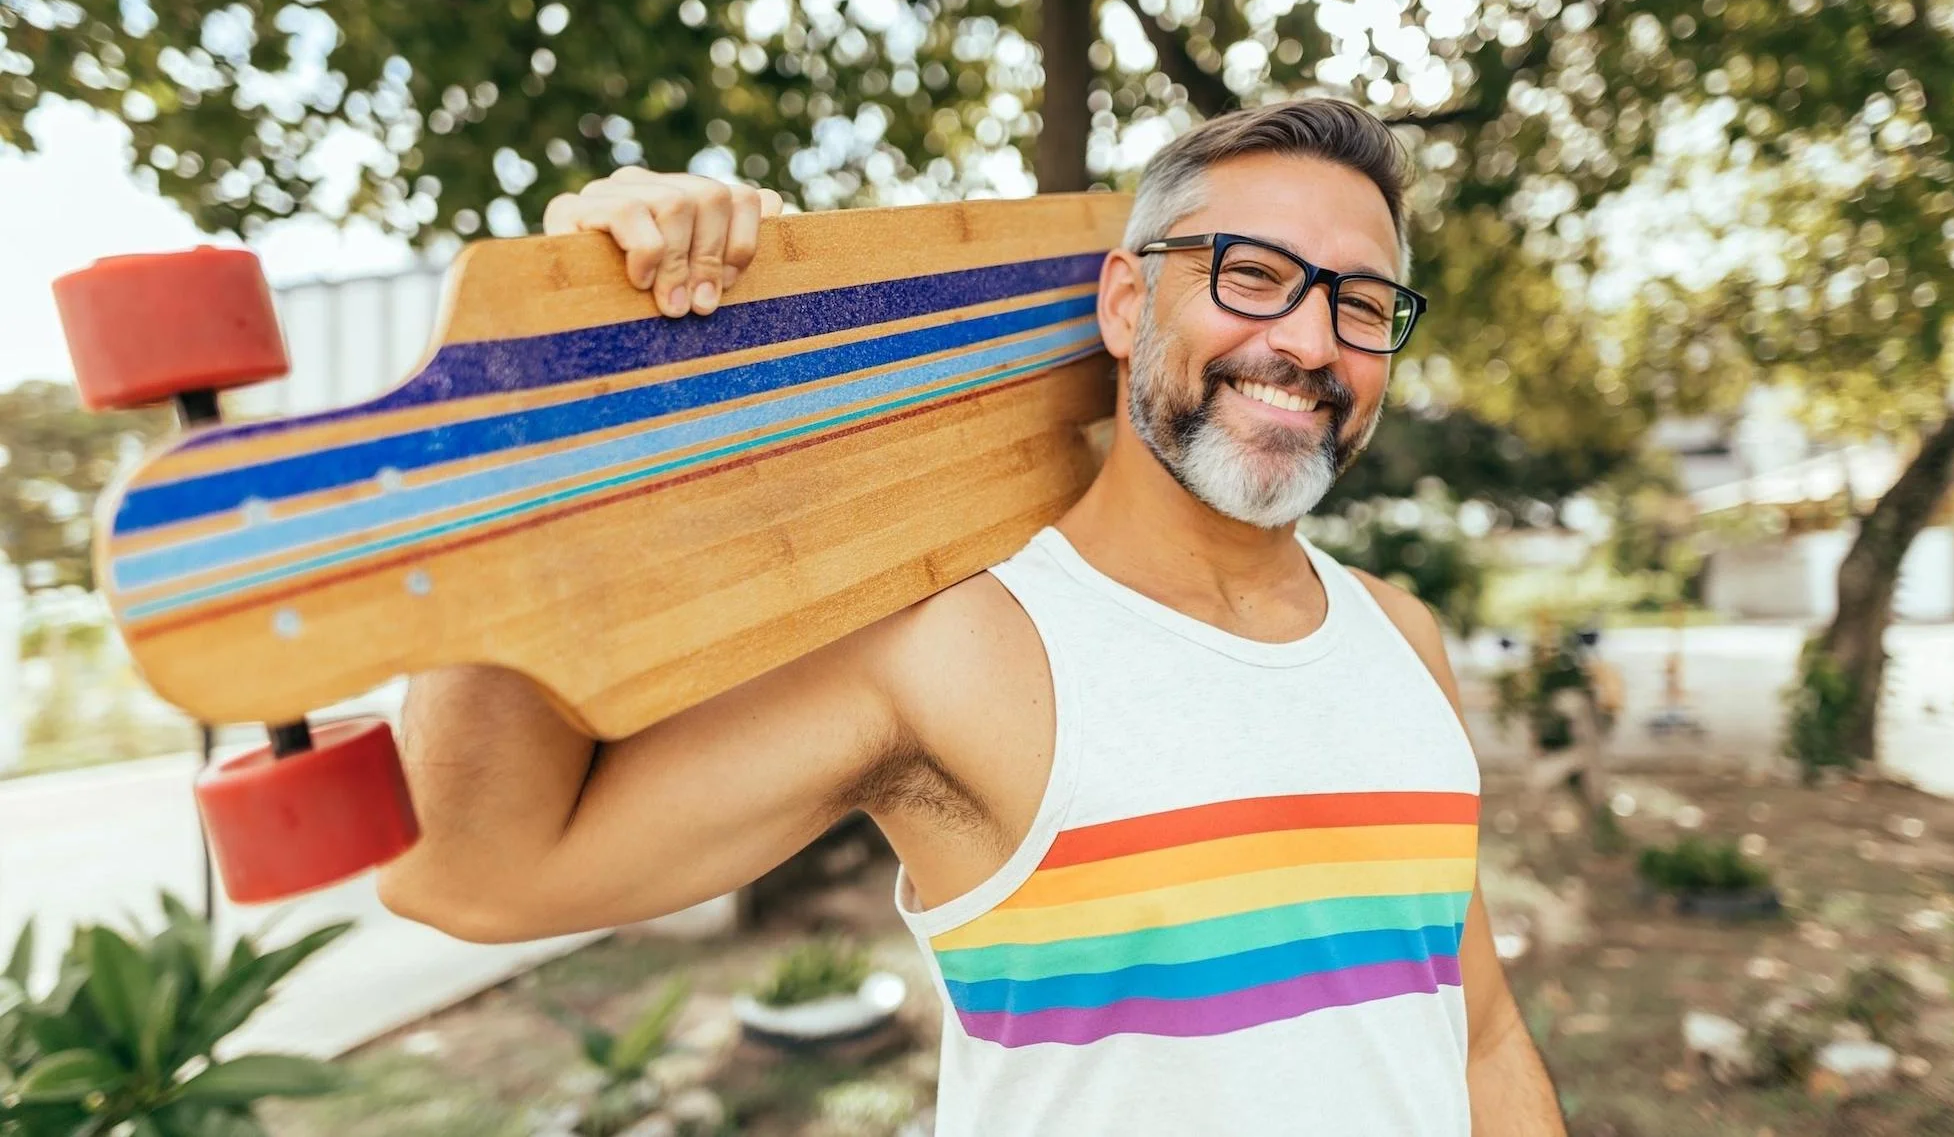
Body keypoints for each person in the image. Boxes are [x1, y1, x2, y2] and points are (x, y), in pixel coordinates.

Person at [378, 98, 1567, 1136]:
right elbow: (475, 877)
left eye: (1360, 304)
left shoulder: (1398, 639)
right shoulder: (954, 649)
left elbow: (1476, 1039)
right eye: (1249, 274)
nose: (1307, 342)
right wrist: (542, 387)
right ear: (1124, 300)